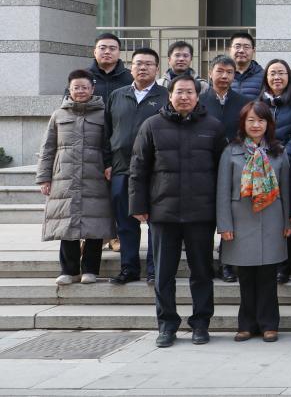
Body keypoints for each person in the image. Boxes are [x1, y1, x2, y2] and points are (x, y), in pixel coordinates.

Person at [130, 74, 226, 347]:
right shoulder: (152, 125)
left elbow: (223, 172)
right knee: (163, 274)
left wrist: (222, 211)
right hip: (164, 212)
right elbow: (138, 168)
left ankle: (201, 324)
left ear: (197, 96)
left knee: (202, 272)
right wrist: (138, 205)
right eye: (179, 92)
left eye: (189, 92)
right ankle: (167, 325)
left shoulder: (213, 126)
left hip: (201, 213)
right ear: (169, 95)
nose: (184, 97)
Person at [216, 101, 290, 343]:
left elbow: (287, 189)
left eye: (261, 120)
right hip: (241, 221)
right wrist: (224, 224)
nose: (256, 125)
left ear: (268, 124)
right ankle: (246, 325)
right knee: (245, 277)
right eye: (251, 120)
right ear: (243, 123)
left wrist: (288, 221)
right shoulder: (231, 151)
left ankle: (269, 324)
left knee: (268, 276)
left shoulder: (278, 151)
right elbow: (222, 190)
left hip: (272, 219)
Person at [38, 69, 114, 286]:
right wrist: (44, 177)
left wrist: (110, 167)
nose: (80, 91)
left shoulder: (104, 114)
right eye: (76, 87)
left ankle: (90, 270)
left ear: (92, 89)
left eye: (84, 87)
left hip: (95, 176)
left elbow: (110, 145)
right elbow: (48, 148)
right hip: (65, 177)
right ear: (69, 89)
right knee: (67, 224)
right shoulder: (58, 115)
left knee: (95, 225)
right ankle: (69, 270)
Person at [105, 48, 166, 285]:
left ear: (157, 69)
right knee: (125, 222)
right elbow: (107, 132)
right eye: (138, 63)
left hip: (155, 171)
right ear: (131, 67)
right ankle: (129, 268)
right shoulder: (117, 95)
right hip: (121, 168)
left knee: (156, 223)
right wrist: (107, 162)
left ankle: (154, 269)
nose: (143, 68)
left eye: (149, 64)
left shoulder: (166, 96)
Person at [200, 55, 249, 283]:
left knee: (232, 215)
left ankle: (227, 264)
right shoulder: (200, 101)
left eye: (229, 72)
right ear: (210, 73)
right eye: (220, 71)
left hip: (235, 165)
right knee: (206, 217)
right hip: (205, 165)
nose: (224, 76)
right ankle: (206, 264)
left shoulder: (243, 102)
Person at [259, 59, 291, 154]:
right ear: (266, 77)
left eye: (281, 73)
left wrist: (283, 156)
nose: (277, 77)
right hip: (260, 157)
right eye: (272, 74)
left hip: (286, 157)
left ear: (288, 76)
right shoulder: (258, 103)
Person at [87, 32, 133, 99]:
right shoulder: (83, 76)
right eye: (102, 48)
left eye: (112, 48)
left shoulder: (131, 77)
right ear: (95, 52)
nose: (107, 52)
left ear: (119, 53)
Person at [229, 32, 265, 99]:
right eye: (237, 46)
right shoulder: (222, 75)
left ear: (253, 51)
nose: (241, 50)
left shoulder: (264, 76)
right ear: (230, 50)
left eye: (246, 47)